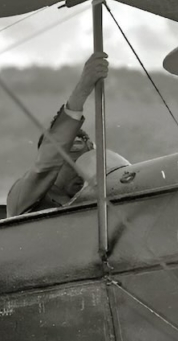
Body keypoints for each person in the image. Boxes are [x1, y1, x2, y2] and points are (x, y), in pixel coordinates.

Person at [6, 52, 109, 217]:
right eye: (73, 163)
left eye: (86, 165)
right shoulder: (23, 197)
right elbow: (47, 160)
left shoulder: (93, 204)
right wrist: (83, 89)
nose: (82, 173)